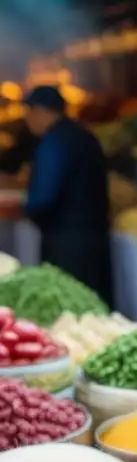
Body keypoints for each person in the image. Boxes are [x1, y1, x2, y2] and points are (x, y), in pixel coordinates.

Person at [0, 86, 112, 302]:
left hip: (66, 243)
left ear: (40, 112)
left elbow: (42, 198)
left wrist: (23, 209)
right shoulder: (85, 136)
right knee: (96, 304)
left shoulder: (52, 144)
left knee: (69, 306)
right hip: (96, 237)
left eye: (28, 113)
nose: (28, 120)